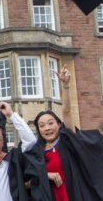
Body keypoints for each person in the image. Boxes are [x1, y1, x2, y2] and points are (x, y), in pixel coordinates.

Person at [34, 64, 103, 200]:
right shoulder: (37, 153)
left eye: (51, 123)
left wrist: (65, 85)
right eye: (42, 125)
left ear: (59, 125)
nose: (47, 128)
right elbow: (27, 182)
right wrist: (46, 174)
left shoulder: (67, 142)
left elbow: (66, 111)